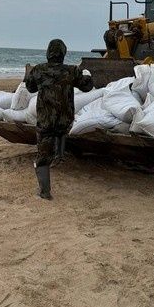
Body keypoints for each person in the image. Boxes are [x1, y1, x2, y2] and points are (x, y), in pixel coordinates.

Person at [24, 39, 93, 199]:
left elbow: (30, 87)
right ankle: (59, 155)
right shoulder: (71, 71)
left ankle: (45, 192)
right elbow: (87, 86)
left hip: (46, 121)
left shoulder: (39, 70)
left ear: (48, 53)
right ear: (63, 53)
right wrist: (87, 76)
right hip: (65, 121)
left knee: (43, 155)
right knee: (61, 131)